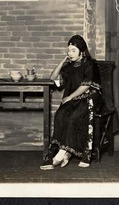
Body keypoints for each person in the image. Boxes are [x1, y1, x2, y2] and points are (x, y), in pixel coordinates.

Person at [40, 34, 105, 170]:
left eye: (73, 50)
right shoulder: (70, 65)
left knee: (74, 117)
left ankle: (63, 152)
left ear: (81, 51)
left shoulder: (89, 64)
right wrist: (62, 63)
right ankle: (64, 152)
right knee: (60, 114)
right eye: (68, 50)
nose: (70, 53)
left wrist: (70, 97)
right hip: (75, 98)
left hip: (90, 97)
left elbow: (86, 85)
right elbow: (53, 78)